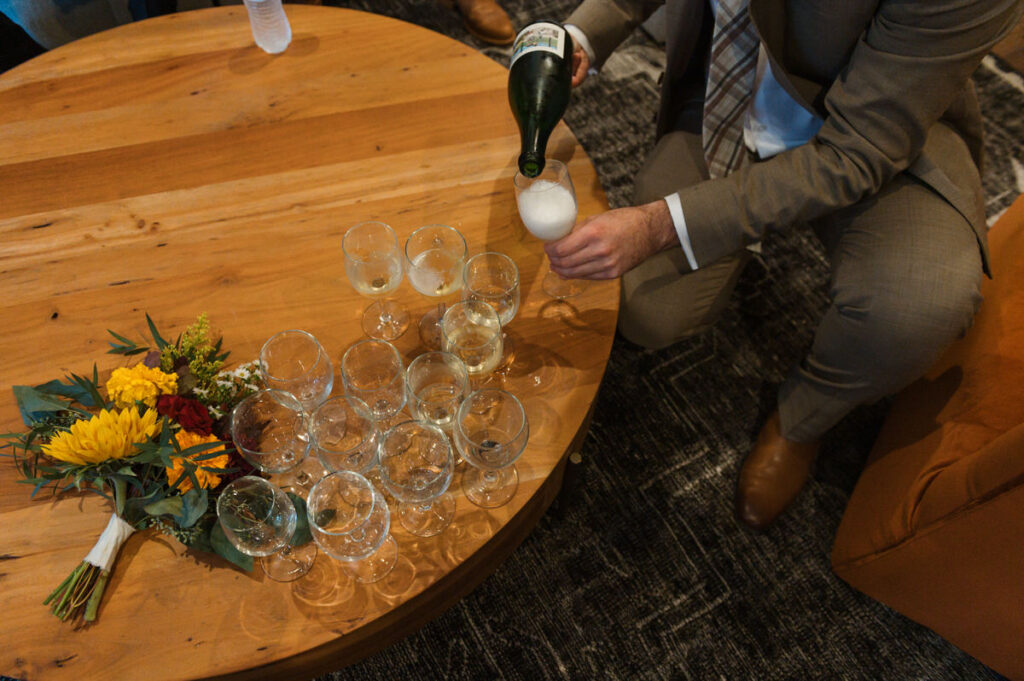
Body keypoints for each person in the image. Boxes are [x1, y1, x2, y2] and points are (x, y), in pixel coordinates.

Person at [552, 0, 1024, 530]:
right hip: (730, 98)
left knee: (916, 307)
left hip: (879, 134)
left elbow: (857, 153)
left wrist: (661, 225)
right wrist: (584, 33)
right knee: (648, 313)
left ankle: (802, 418)